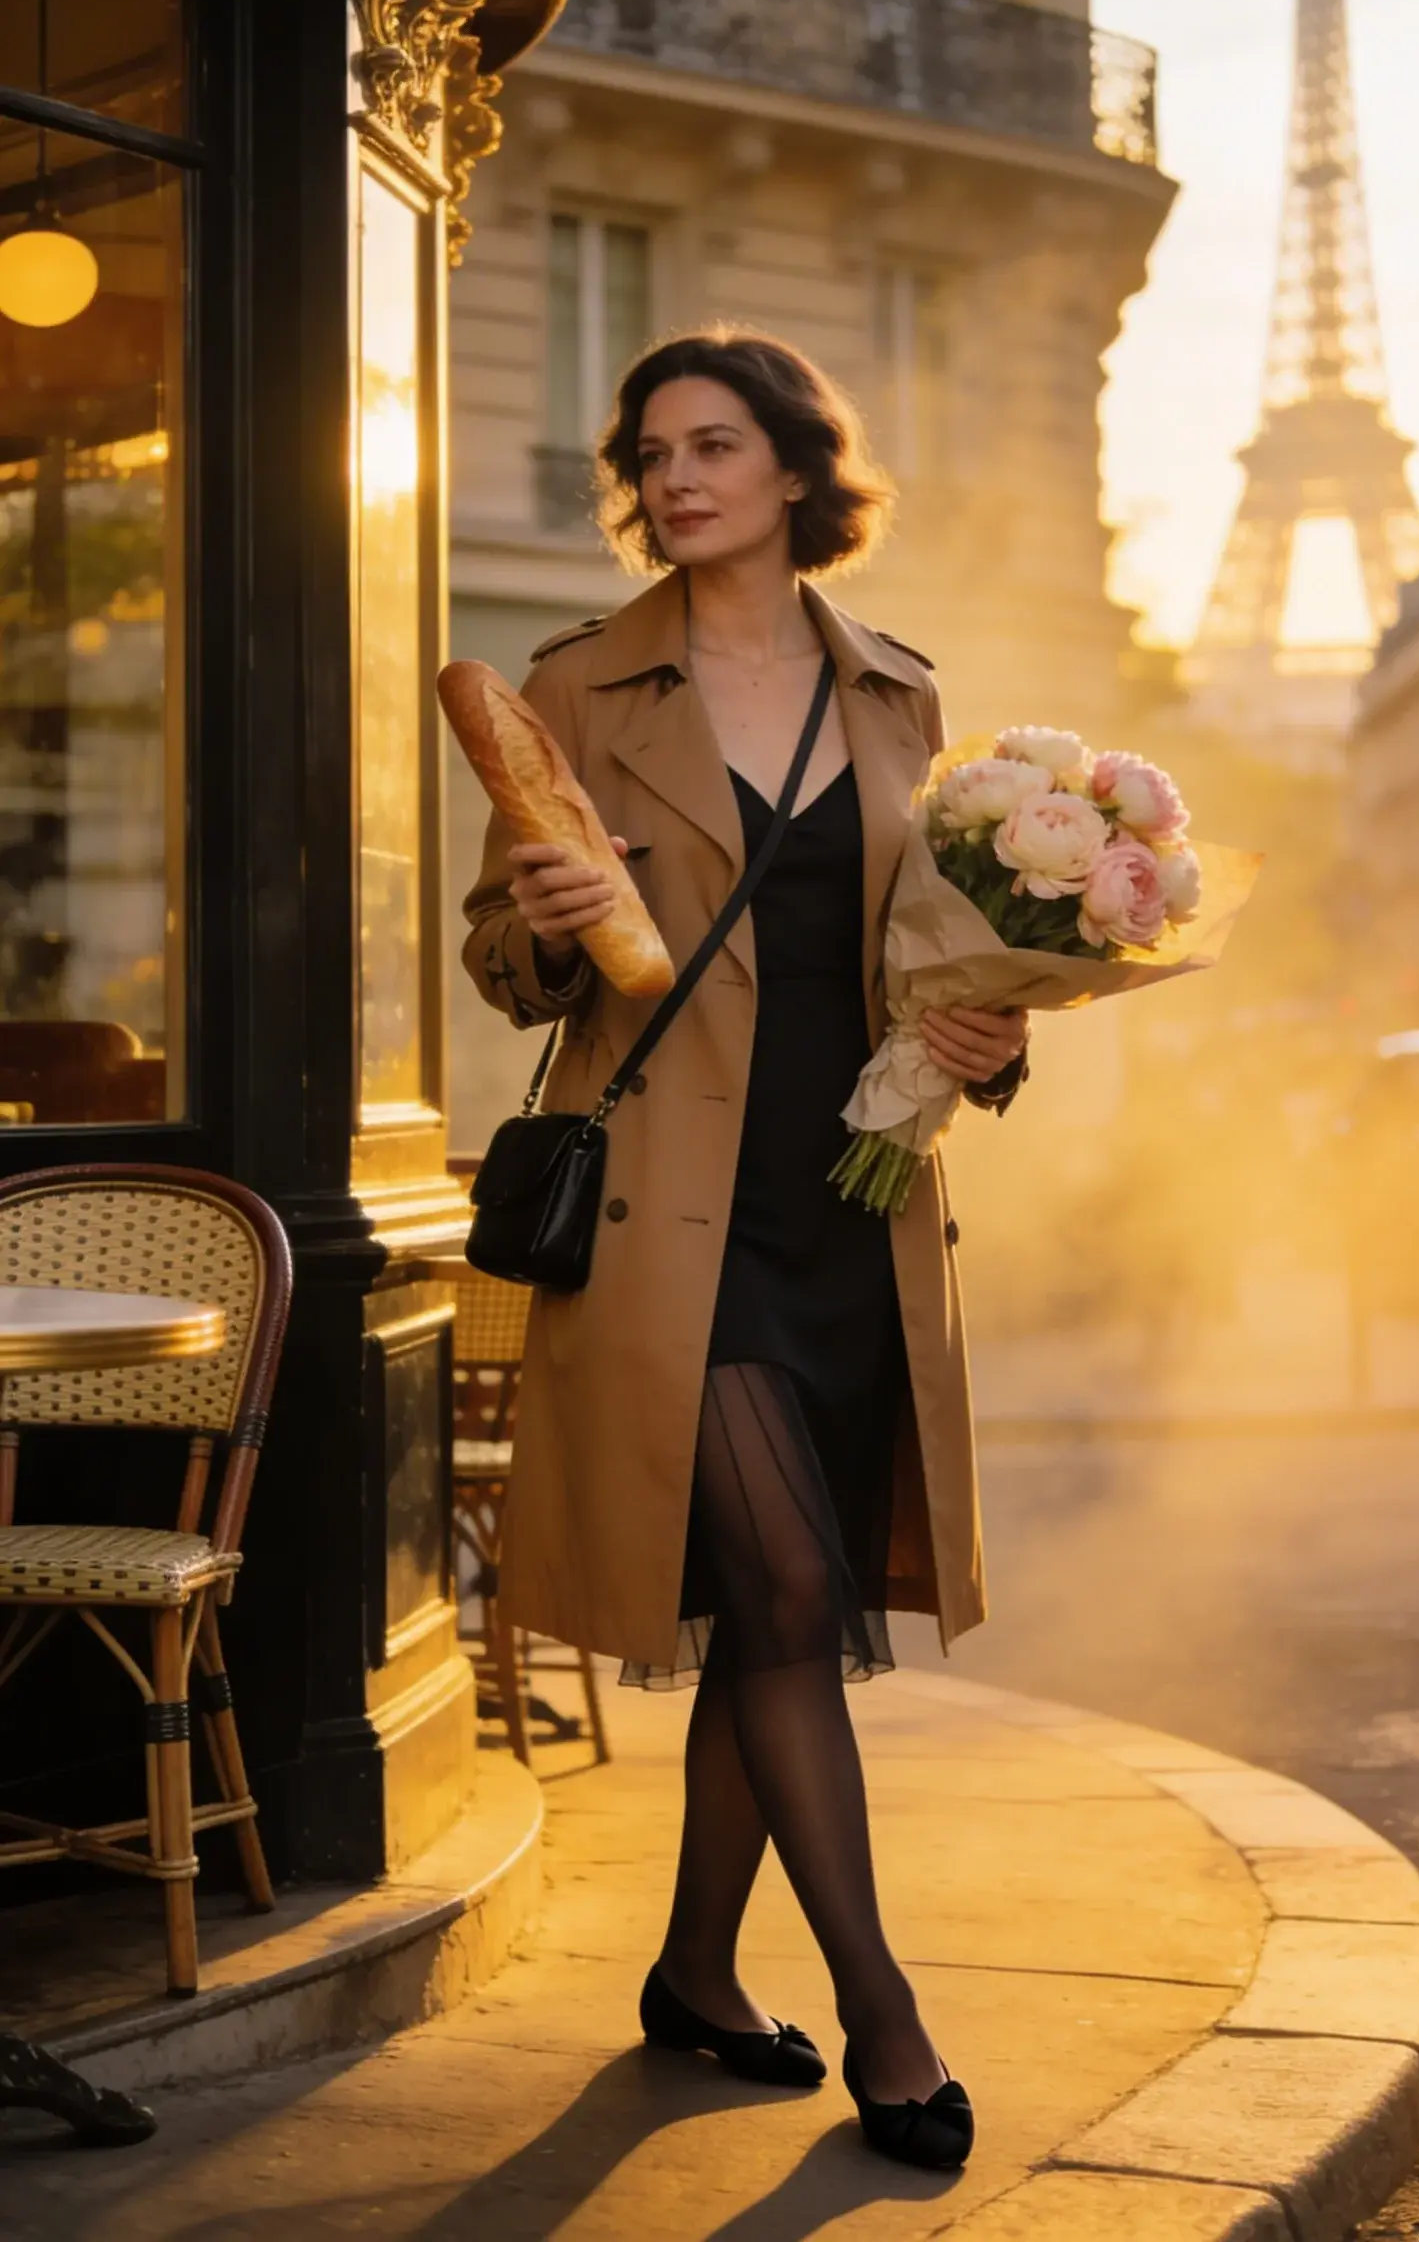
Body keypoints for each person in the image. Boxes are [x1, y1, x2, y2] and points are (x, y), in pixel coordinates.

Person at [463, 327, 1028, 2172]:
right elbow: (509, 969)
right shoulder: (575, 685)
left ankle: (698, 1977)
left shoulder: (897, 697)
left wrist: (991, 1036)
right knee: (786, 1599)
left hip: (846, 1207)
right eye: (651, 450)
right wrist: (548, 921)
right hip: (662, 1227)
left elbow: (935, 961)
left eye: (716, 444)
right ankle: (889, 2019)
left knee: (772, 1615)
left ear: (797, 468)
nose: (676, 476)